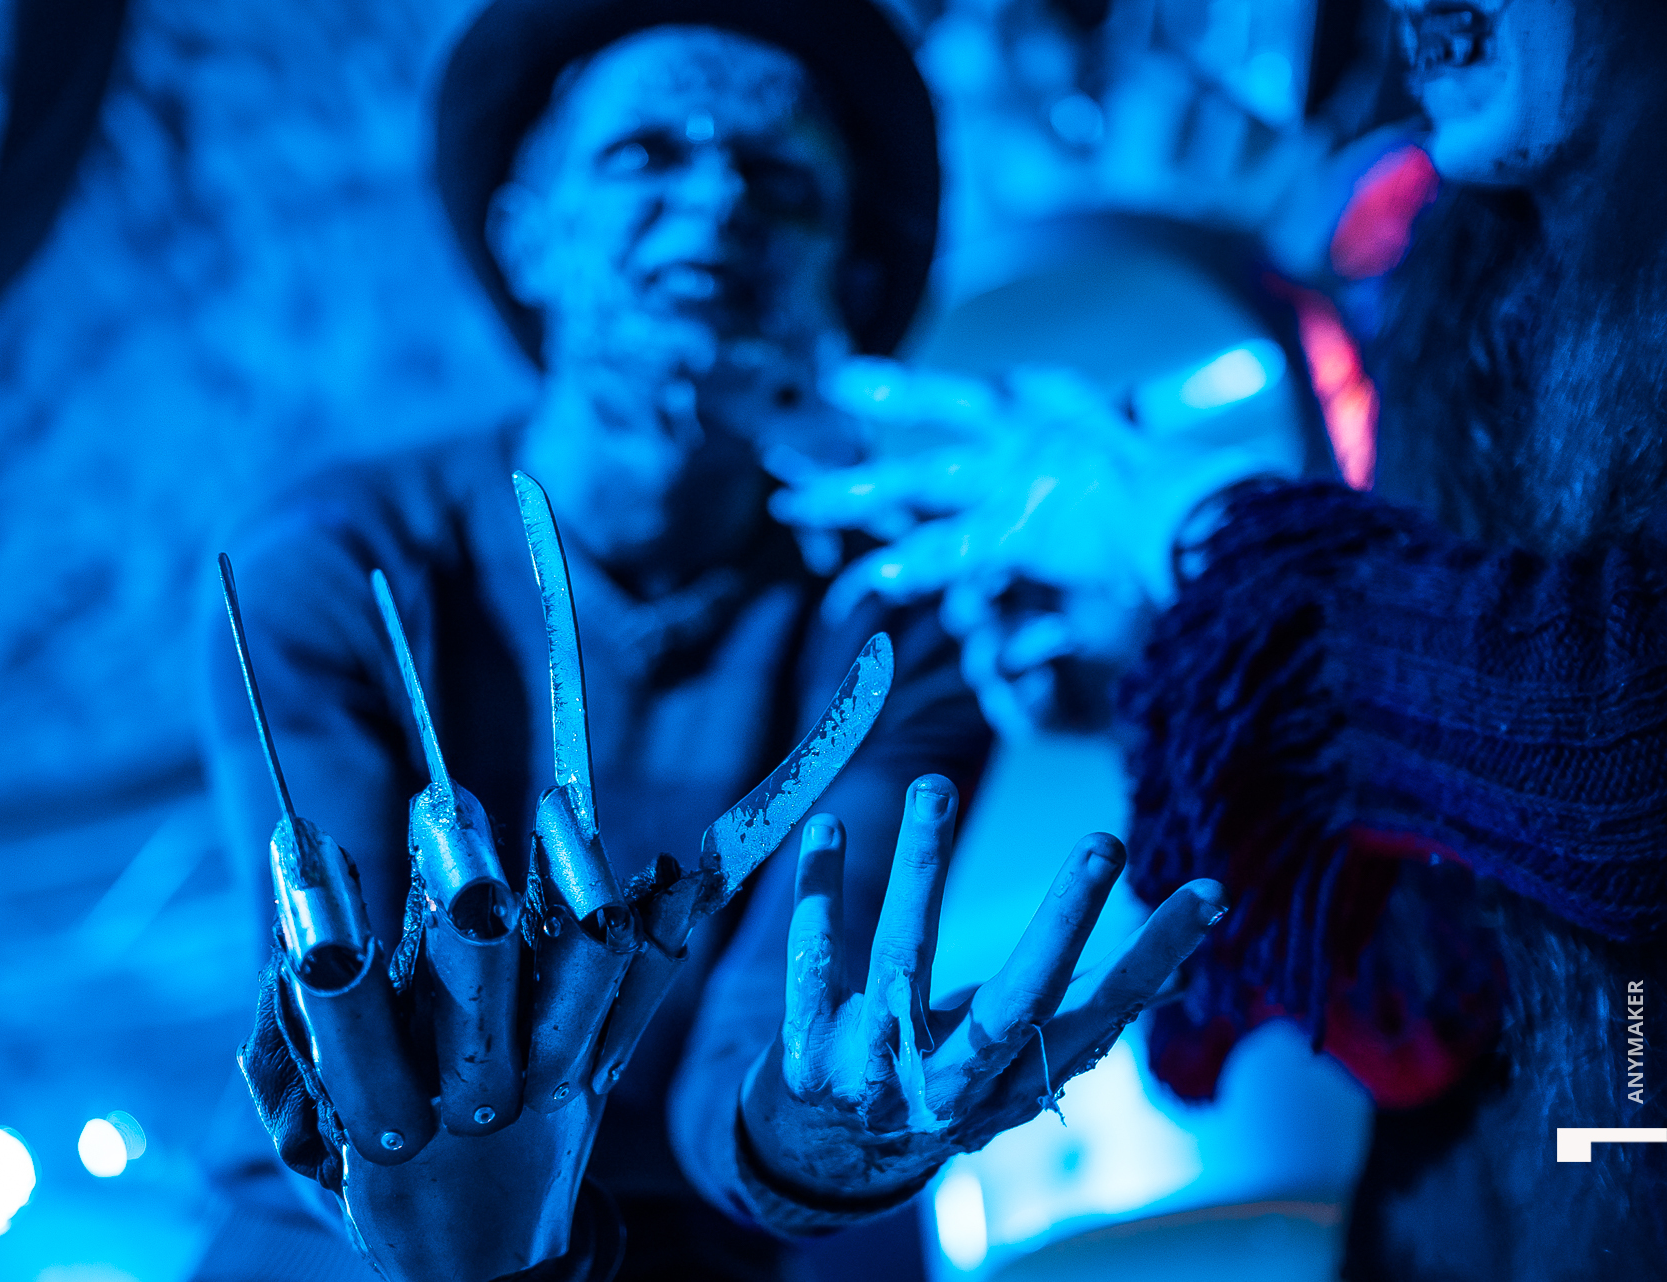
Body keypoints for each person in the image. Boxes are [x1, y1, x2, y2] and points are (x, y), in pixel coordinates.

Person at [198, 2, 1224, 1279]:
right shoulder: (337, 568)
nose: (718, 202)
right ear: (527, 234)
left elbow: (765, 1038)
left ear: (848, 281)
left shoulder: (889, 614)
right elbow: (353, 1035)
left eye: (781, 181)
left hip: (693, 1237)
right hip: (346, 1240)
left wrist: (817, 1128)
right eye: (645, 155)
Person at [771, 0, 1667, 1275]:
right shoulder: (1479, 311)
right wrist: (1174, 655)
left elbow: (1625, 766)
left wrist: (1184, 528)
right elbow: (1440, 988)